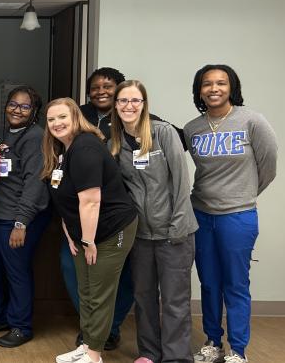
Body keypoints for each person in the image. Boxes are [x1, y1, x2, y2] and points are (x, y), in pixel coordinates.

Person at [184, 65, 277, 363]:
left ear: (231, 87)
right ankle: (213, 342)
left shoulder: (252, 121)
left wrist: (243, 195)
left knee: (235, 283)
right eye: (207, 84)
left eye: (221, 83)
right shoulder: (192, 128)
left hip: (238, 216)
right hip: (201, 214)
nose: (214, 89)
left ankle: (238, 350)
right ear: (199, 90)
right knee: (209, 282)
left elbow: (268, 167)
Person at [43, 98, 137, 363]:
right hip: (84, 233)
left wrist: (87, 240)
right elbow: (65, 196)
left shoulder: (85, 147)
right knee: (85, 290)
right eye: (51, 120)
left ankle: (94, 356)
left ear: (76, 117)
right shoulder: (65, 150)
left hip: (108, 230)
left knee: (99, 294)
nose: (57, 124)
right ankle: (86, 345)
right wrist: (70, 229)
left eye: (62, 117)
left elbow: (91, 200)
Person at [109, 80, 197, 363]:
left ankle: (176, 357)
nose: (129, 106)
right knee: (144, 298)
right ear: (116, 105)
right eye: (123, 101)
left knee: (174, 300)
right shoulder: (116, 142)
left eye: (135, 100)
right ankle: (149, 352)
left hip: (174, 232)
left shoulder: (164, 133)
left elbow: (182, 183)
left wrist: (179, 226)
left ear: (145, 104)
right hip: (140, 236)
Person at [0, 86, 51, 348]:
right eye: (13, 104)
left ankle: (21, 325)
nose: (17, 110)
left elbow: (35, 183)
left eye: (24, 106)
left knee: (16, 271)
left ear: (34, 112)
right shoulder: (1, 134)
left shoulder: (36, 137)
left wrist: (21, 223)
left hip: (18, 216)